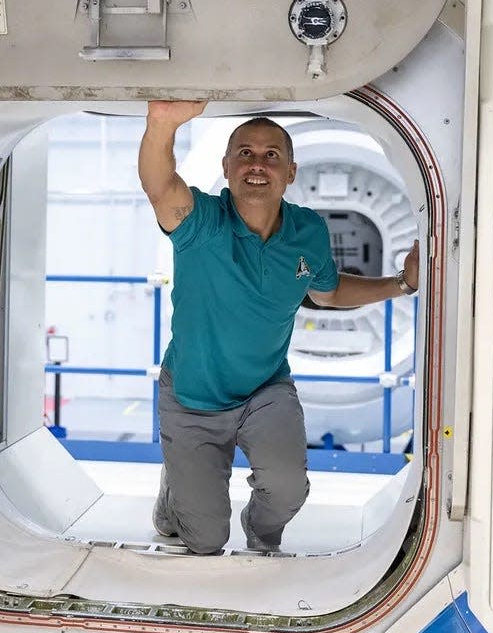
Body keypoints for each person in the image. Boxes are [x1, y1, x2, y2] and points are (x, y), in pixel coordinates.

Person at [138, 100, 419, 556]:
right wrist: (162, 125)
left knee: (288, 490)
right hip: (193, 397)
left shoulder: (307, 230)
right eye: (245, 153)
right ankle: (176, 493)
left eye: (272, 155)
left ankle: (258, 531)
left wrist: (403, 283)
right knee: (205, 540)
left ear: (290, 171)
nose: (257, 164)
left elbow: (326, 292)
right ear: (226, 167)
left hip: (264, 389)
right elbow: (159, 185)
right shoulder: (201, 222)